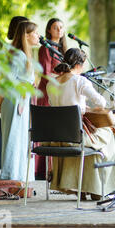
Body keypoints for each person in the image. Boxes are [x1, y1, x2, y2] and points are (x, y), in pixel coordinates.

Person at [46, 48, 115, 201]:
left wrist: (82, 107)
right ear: (80, 64)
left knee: (92, 140)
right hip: (75, 135)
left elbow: (60, 107)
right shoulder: (79, 81)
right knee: (108, 134)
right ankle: (98, 187)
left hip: (57, 137)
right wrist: (89, 108)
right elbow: (101, 102)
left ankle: (83, 188)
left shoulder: (51, 83)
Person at [0, 21, 39, 182]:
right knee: (13, 137)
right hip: (15, 100)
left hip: (21, 100)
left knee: (19, 138)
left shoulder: (24, 55)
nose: (38, 36)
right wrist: (0, 101)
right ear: (26, 35)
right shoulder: (18, 55)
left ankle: (18, 176)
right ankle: (9, 176)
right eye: (35, 33)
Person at [35, 18, 68, 180]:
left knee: (55, 133)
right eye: (56, 27)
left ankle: (55, 170)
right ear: (49, 30)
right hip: (47, 93)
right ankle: (41, 171)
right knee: (46, 133)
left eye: (61, 27)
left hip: (59, 94)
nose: (59, 30)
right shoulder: (45, 49)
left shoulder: (63, 50)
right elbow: (45, 73)